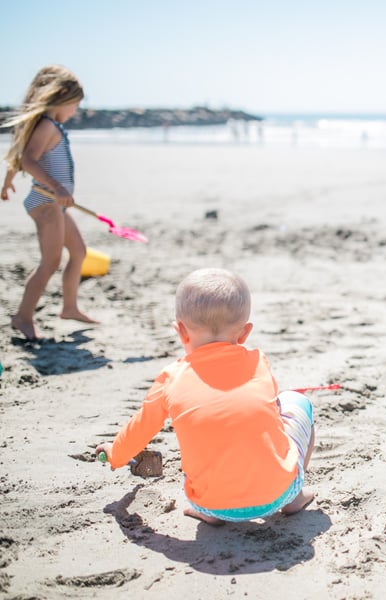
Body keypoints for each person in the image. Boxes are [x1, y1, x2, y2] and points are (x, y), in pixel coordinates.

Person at [95, 268, 316, 525]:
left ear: (181, 331)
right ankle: (294, 498)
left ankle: (209, 514)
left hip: (210, 504)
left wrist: (115, 454)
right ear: (245, 333)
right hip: (277, 495)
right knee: (298, 403)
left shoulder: (170, 378)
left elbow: (140, 429)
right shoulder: (258, 362)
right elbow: (272, 415)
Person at [1, 65, 97, 341]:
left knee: (78, 252)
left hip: (55, 204)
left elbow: (21, 153)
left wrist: (8, 180)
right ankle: (23, 317)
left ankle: (69, 308)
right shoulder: (46, 125)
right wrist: (56, 186)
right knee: (50, 261)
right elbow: (29, 159)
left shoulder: (51, 126)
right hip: (46, 201)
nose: (75, 112)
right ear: (62, 97)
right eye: (75, 105)